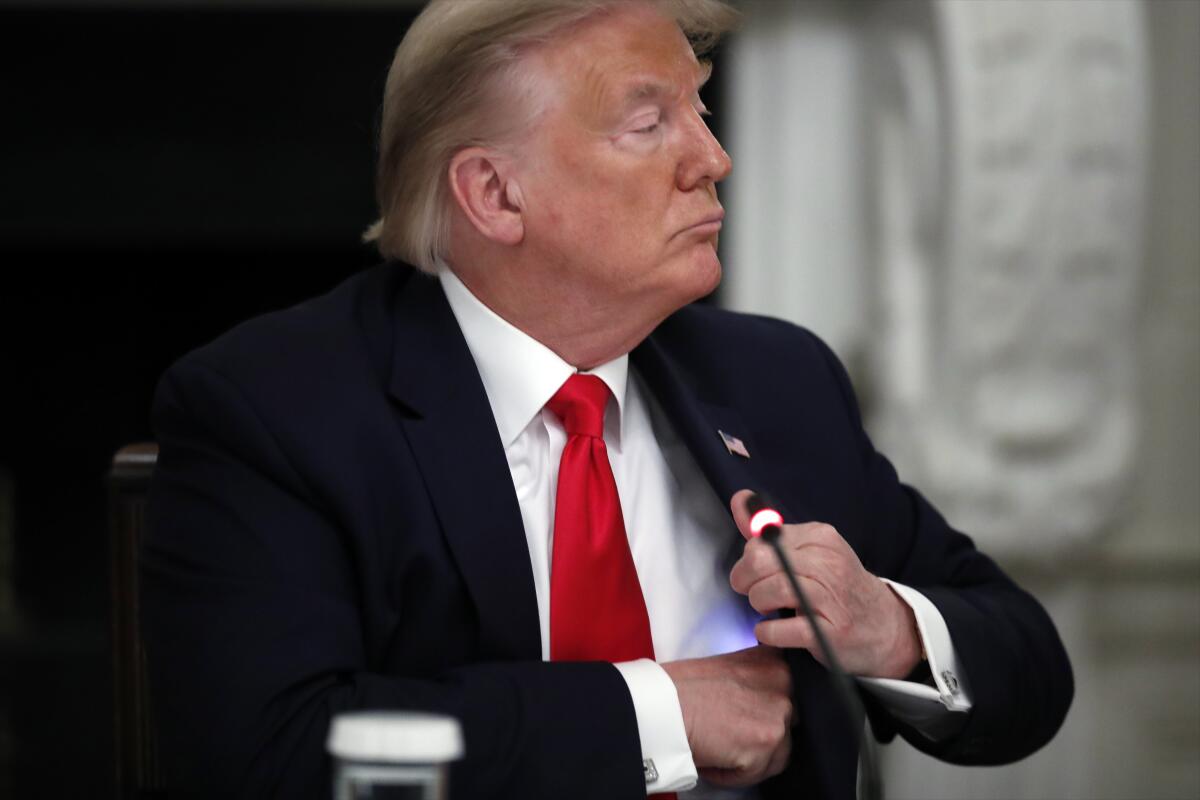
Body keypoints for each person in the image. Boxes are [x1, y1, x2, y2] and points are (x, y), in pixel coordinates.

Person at [140, 1, 1073, 798]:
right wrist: (654, 713)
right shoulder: (278, 406)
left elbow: (1029, 669)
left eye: (700, 110)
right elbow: (271, 758)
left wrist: (892, 629)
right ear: (495, 195)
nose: (713, 158)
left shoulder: (774, 381)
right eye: (649, 123)